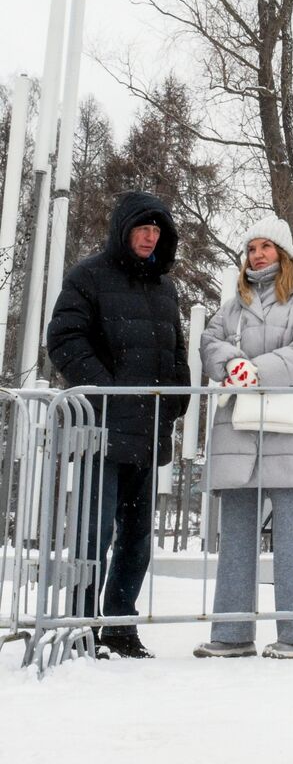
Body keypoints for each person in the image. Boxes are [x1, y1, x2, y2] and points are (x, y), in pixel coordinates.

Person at [47, 190, 191, 659]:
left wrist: (176, 401)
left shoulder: (165, 288)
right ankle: (82, 627)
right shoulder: (88, 276)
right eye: (143, 228)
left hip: (149, 435)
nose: (150, 237)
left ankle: (120, 626)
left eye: (157, 230)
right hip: (102, 434)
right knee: (93, 532)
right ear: (123, 229)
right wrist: (105, 391)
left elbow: (176, 354)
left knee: (137, 537)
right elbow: (65, 339)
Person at [194, 216, 293, 659]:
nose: (257, 255)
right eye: (252, 248)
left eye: (266, 247)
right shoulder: (234, 302)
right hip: (241, 431)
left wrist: (257, 371)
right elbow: (210, 339)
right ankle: (232, 633)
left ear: (284, 253)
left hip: (289, 430)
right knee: (236, 535)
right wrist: (230, 362)